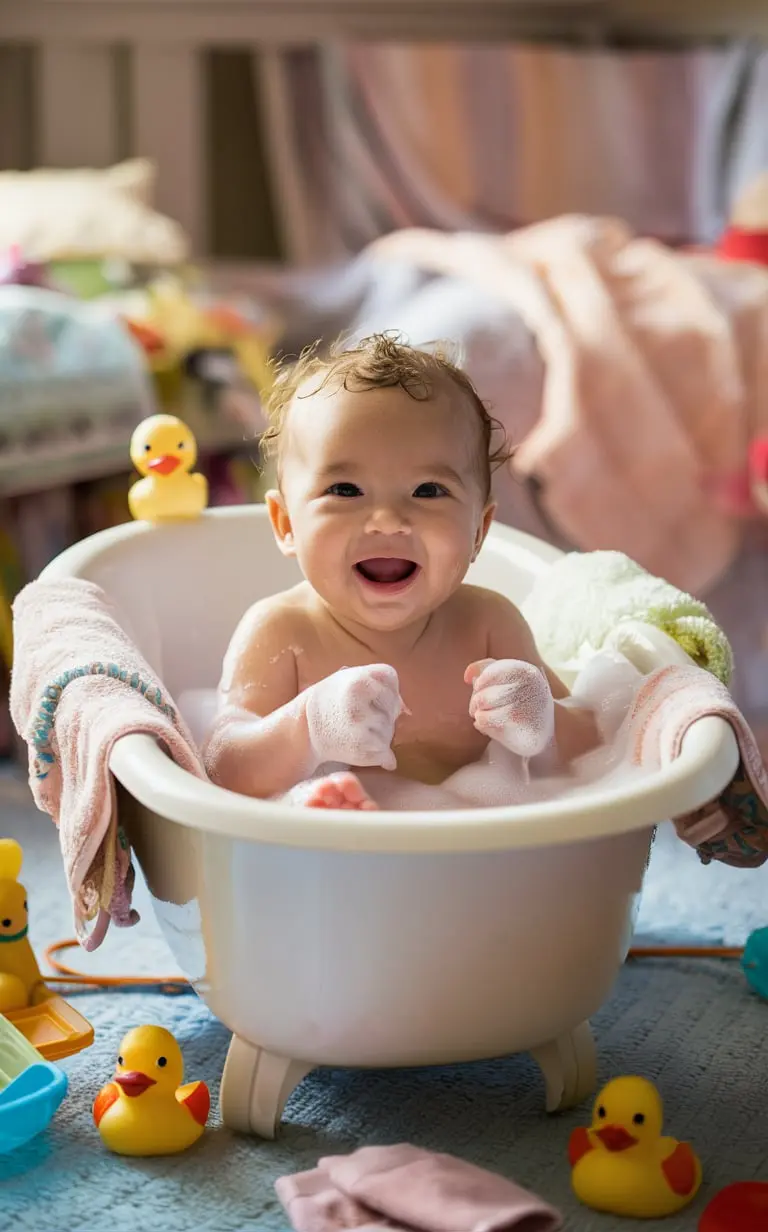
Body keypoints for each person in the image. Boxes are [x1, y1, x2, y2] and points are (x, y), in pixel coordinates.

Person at [203, 333, 597, 810]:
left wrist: (543, 720)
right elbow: (224, 765)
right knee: (312, 812)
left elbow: (593, 747)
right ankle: (325, 809)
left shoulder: (489, 626)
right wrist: (310, 724)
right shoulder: (282, 632)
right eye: (345, 490)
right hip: (332, 858)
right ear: (286, 525)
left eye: (428, 491)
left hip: (471, 846)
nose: (388, 520)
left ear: (479, 530)